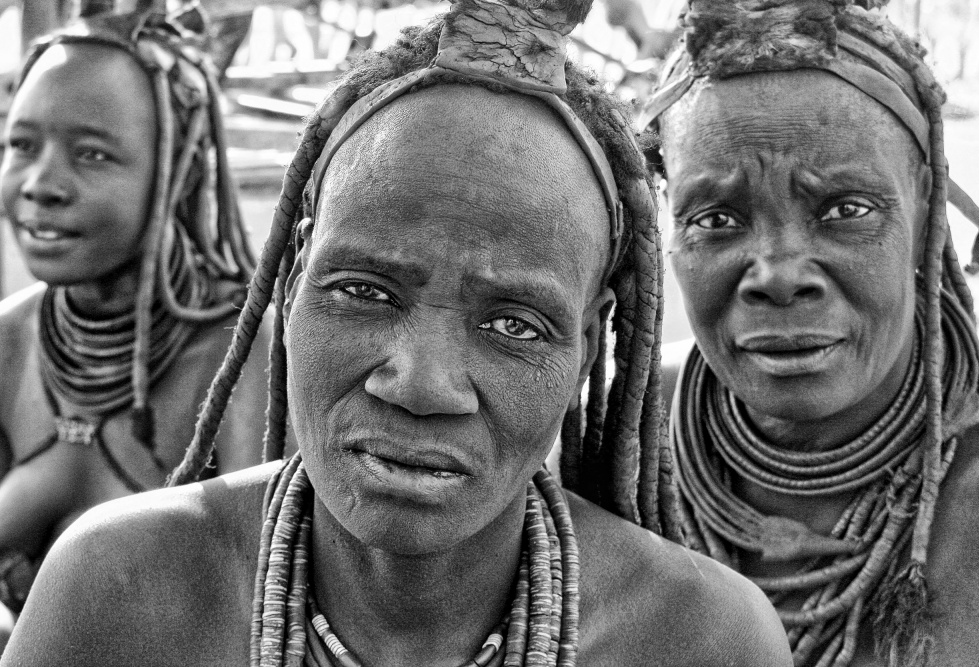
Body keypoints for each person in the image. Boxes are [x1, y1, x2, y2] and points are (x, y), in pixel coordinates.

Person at [2, 0, 792, 665]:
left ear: (588, 344)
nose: (419, 382)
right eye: (365, 291)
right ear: (290, 281)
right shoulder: (115, 594)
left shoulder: (699, 638)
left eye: (515, 323)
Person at [639, 0, 979, 665]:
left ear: (926, 207)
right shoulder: (607, 455)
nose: (777, 275)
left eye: (845, 208)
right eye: (717, 219)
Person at [0, 4, 272, 628]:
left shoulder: (245, 357)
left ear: (177, 175)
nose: (41, 183)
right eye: (21, 145)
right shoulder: (11, 341)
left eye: (92, 154)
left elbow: (260, 614)